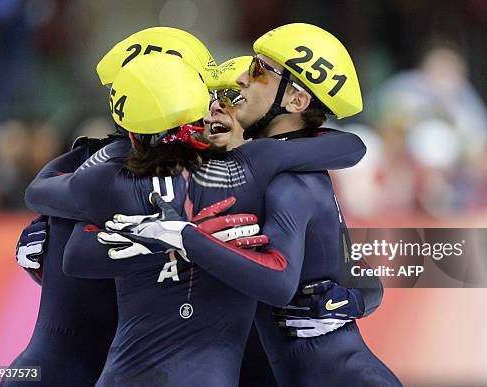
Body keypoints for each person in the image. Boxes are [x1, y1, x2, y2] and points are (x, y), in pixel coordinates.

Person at [24, 51, 366, 385]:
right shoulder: (258, 173)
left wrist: (166, 235)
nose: (221, 105)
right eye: (211, 98)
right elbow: (350, 147)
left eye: (231, 97)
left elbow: (52, 212)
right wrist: (182, 237)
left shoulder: (106, 178)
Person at [99, 23, 402, 386]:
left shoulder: (289, 180)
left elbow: (291, 278)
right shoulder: (257, 168)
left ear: (296, 101)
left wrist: (183, 236)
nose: (241, 78)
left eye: (258, 69)